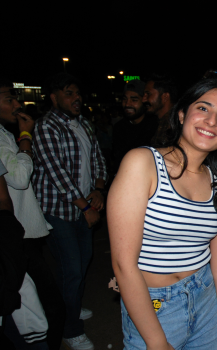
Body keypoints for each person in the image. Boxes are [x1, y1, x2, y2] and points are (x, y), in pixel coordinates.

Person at [108, 78, 217, 350]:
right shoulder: (143, 164)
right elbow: (124, 265)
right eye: (203, 108)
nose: (211, 121)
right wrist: (157, 342)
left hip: (205, 299)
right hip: (154, 305)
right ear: (181, 115)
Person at [32, 73, 108, 350]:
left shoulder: (84, 124)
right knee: (71, 269)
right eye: (68, 93)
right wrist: (86, 206)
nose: (76, 98)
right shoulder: (46, 127)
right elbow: (56, 173)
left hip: (84, 206)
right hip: (58, 209)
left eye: (78, 93)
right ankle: (69, 328)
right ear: (54, 98)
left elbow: (98, 158)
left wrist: (98, 189)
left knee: (83, 261)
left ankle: (71, 307)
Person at [0, 80, 65, 349]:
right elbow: (19, 177)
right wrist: (25, 136)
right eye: (8, 99)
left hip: (18, 231)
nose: (17, 105)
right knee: (47, 304)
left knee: (36, 301)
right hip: (15, 234)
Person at [112, 80, 158, 172]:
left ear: (144, 101)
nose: (127, 104)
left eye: (134, 100)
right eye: (125, 99)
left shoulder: (155, 127)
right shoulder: (119, 128)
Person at [142, 73, 178, 146]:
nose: (143, 100)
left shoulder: (175, 124)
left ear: (165, 97)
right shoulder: (156, 122)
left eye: (148, 94)